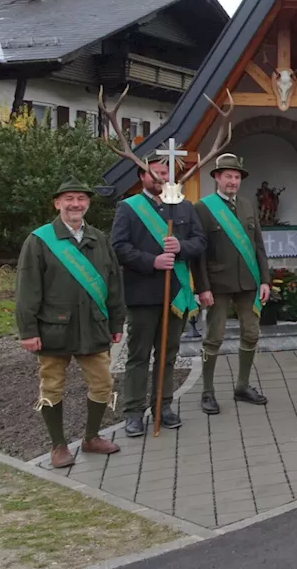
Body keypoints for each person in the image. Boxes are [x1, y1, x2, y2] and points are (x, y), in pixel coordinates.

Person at [16, 177, 126, 468]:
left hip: (93, 326)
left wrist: (117, 323)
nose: (75, 204)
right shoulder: (39, 240)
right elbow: (28, 289)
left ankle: (91, 437)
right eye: (69, 199)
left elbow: (114, 285)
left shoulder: (99, 239)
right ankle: (58, 446)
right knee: (51, 387)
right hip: (54, 328)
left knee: (103, 384)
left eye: (81, 199)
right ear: (57, 203)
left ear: (88, 203)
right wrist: (28, 330)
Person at [111, 153, 206, 438]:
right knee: (138, 356)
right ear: (142, 176)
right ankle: (133, 413)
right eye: (154, 173)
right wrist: (151, 261)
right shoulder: (128, 208)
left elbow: (200, 242)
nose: (160, 178)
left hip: (175, 295)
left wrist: (180, 247)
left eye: (164, 173)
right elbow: (118, 246)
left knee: (167, 355)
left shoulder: (185, 208)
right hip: (142, 293)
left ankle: (163, 406)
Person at [193, 154, 271, 414]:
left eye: (237, 177)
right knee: (213, 338)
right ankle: (207, 391)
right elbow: (199, 252)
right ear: (217, 177)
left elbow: (258, 246)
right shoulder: (203, 208)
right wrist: (202, 287)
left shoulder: (248, 205)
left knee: (251, 333)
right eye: (228, 176)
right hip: (217, 284)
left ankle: (242, 386)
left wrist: (265, 280)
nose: (233, 181)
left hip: (248, 283)